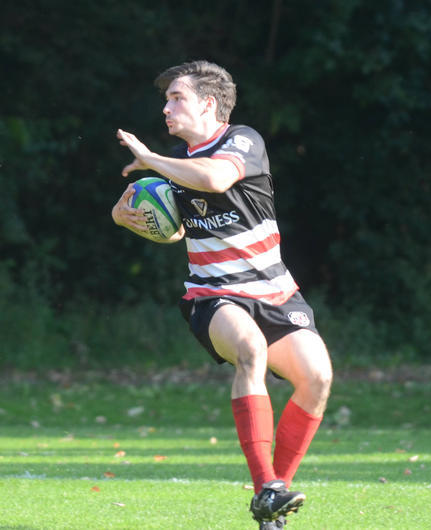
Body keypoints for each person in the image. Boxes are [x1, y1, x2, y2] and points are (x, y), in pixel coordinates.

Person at [111, 60, 332, 529]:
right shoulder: (174, 165)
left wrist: (150, 159)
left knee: (317, 378)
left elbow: (214, 179)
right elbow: (172, 228)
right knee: (250, 349)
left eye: (177, 98)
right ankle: (266, 486)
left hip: (275, 292)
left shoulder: (243, 140)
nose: (166, 108)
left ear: (208, 104)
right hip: (213, 294)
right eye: (166, 100)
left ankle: (271, 501)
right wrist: (121, 215)